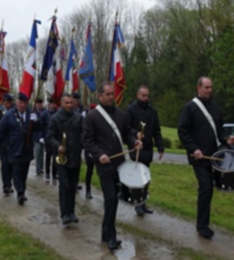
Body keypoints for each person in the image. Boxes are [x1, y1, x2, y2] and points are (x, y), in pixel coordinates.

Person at [83, 82, 142, 251]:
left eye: (112, 94)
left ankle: (105, 232)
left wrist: (134, 142)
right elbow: (87, 140)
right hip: (104, 165)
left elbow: (127, 134)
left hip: (119, 164)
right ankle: (111, 236)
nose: (111, 97)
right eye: (107, 94)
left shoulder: (121, 115)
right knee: (111, 199)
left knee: (113, 200)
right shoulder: (92, 116)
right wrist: (98, 154)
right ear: (100, 96)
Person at [177, 76, 234, 240]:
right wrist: (194, 148)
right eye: (206, 87)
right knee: (205, 187)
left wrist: (227, 140)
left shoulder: (216, 108)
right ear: (198, 88)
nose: (210, 90)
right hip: (199, 157)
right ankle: (202, 226)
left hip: (214, 155)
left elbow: (220, 131)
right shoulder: (190, 108)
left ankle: (204, 223)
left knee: (210, 189)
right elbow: (183, 131)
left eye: (211, 87)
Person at [0, 92, 42, 205]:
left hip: (27, 149)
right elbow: (0, 131)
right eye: (20, 102)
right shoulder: (9, 115)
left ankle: (22, 190)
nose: (22, 105)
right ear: (17, 103)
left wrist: (36, 121)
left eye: (24, 103)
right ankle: (20, 193)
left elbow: (39, 128)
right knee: (16, 172)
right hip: (13, 149)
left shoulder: (31, 114)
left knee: (24, 172)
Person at [125, 85, 165, 216]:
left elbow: (156, 130)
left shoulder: (152, 111)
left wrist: (160, 147)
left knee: (145, 176)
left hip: (147, 147)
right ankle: (137, 203)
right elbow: (126, 127)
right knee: (138, 175)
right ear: (138, 95)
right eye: (143, 95)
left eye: (147, 95)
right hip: (136, 147)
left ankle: (142, 202)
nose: (145, 98)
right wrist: (135, 134)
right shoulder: (131, 110)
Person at [47, 93, 83, 225]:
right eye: (66, 103)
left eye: (71, 103)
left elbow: (83, 134)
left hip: (75, 156)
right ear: (61, 103)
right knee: (64, 185)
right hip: (62, 157)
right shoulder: (55, 118)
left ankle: (71, 211)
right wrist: (58, 146)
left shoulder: (78, 118)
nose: (69, 105)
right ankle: (64, 213)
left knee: (73, 186)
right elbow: (50, 136)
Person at [42, 99, 57, 180]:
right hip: (47, 137)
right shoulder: (44, 114)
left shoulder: (56, 113)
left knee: (55, 156)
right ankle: (47, 172)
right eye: (51, 103)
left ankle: (54, 173)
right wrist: (42, 136)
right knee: (48, 156)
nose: (52, 105)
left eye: (53, 104)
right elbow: (41, 126)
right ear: (48, 104)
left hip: (54, 137)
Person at [33, 98, 46, 176]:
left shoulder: (44, 112)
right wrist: (39, 136)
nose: (40, 106)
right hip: (36, 137)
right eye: (38, 104)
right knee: (37, 153)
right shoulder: (34, 112)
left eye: (41, 104)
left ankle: (41, 168)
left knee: (42, 153)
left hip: (43, 136)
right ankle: (38, 169)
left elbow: (44, 126)